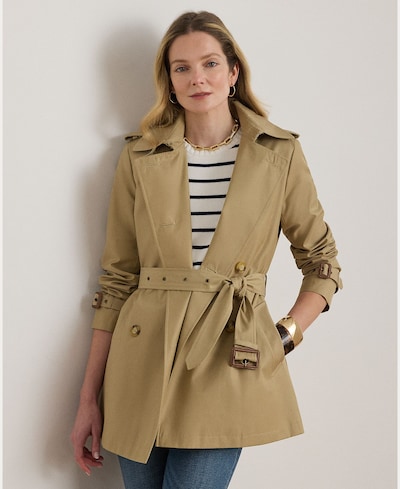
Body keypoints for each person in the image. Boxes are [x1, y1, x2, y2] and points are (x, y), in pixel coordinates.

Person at [71, 10, 342, 489]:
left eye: (210, 63)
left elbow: (322, 261)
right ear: (170, 81)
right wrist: (88, 397)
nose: (198, 78)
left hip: (225, 353)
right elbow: (117, 279)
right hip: (141, 360)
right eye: (182, 68)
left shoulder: (278, 153)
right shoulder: (139, 155)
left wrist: (283, 336)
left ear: (233, 71)